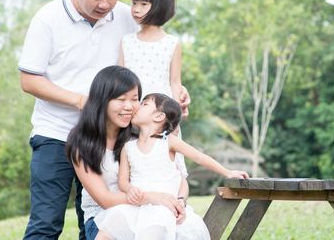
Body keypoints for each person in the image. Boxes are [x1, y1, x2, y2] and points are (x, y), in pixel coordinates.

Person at [18, 0, 191, 239]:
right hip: (56, 134)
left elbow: (153, 52)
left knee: (99, 222)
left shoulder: (125, 15)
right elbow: (29, 80)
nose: (106, 4)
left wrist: (177, 90)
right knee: (46, 223)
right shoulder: (47, 19)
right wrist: (81, 101)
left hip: (110, 138)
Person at [66, 66, 209, 240]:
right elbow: (104, 199)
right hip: (105, 217)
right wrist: (153, 198)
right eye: (121, 99)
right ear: (102, 100)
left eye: (135, 99)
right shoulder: (82, 143)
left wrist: (178, 201)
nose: (129, 106)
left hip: (150, 214)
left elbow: (178, 178)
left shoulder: (142, 137)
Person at [94, 92, 249, 240]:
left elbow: (199, 157)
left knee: (152, 232)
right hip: (137, 207)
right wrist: (130, 189)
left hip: (164, 209)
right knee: (106, 232)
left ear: (159, 116)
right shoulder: (128, 147)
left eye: (145, 104)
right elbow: (123, 181)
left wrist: (227, 172)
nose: (137, 107)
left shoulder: (168, 142)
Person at [118, 0, 181, 102]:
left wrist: (175, 115)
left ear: (160, 6)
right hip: (131, 108)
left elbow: (175, 82)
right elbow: (120, 79)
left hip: (161, 111)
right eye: (134, 3)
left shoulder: (172, 43)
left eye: (143, 4)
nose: (136, 9)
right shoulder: (126, 41)